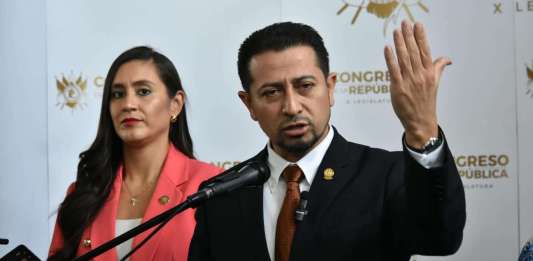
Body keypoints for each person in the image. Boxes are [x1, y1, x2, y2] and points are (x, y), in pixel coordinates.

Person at [188, 21, 466, 261]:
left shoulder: (384, 175)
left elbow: (441, 238)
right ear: (248, 104)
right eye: (272, 92)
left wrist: (420, 129)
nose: (292, 106)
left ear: (330, 87)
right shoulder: (221, 197)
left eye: (305, 86)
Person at [48, 46, 221, 261]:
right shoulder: (82, 192)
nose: (128, 104)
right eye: (118, 94)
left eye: (143, 91)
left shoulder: (212, 185)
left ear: (175, 105)